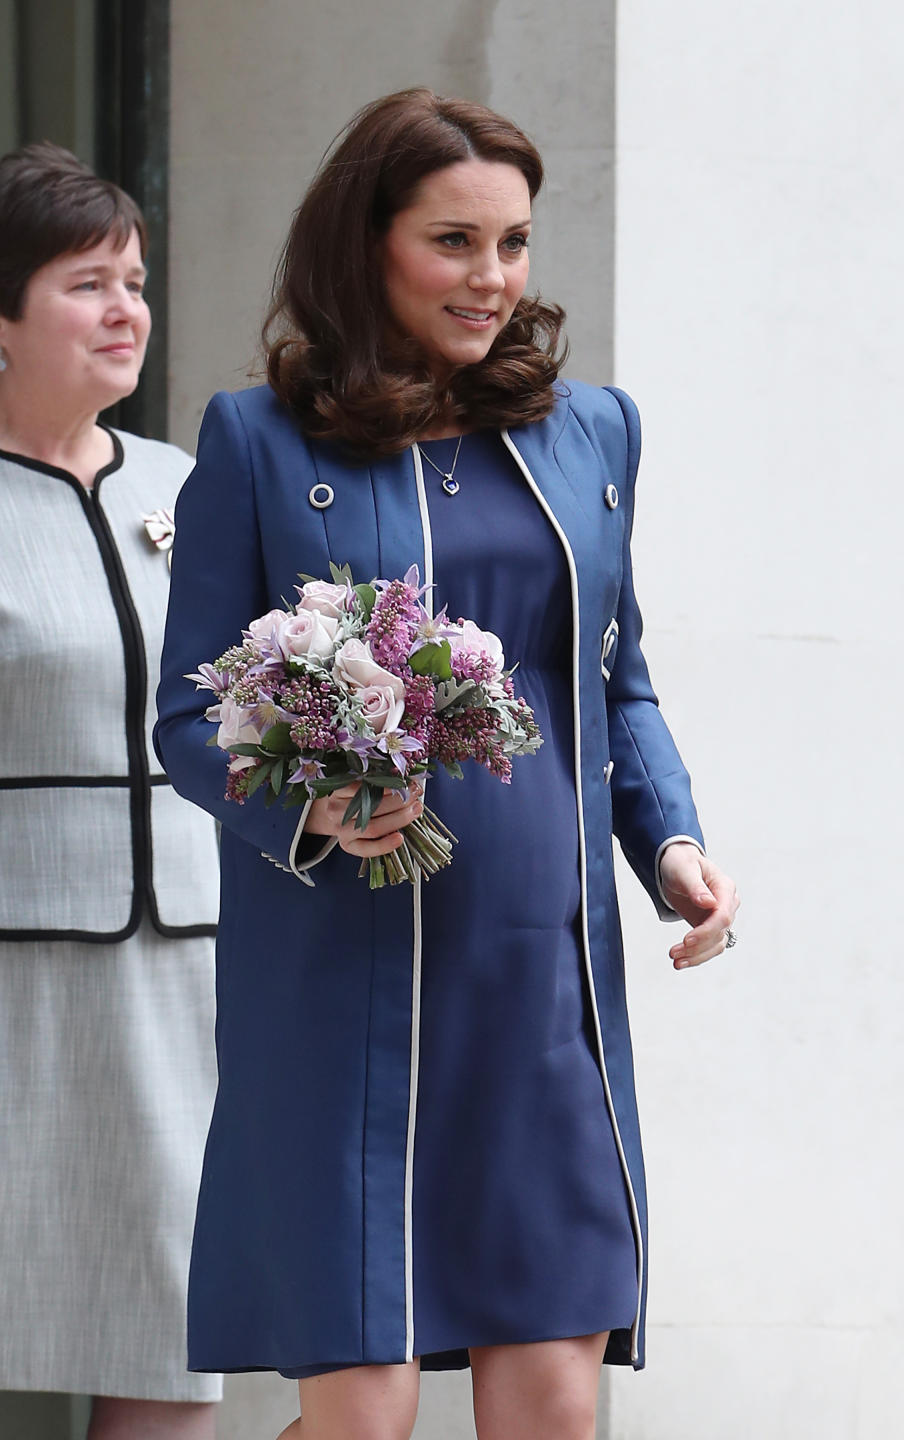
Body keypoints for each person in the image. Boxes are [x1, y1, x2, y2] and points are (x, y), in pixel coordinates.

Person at [155, 89, 740, 1440]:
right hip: (338, 988)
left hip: (539, 973)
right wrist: (313, 806)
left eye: (513, 244)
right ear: (368, 245)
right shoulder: (257, 439)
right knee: (362, 1419)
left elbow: (611, 673)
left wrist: (674, 846)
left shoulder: (595, 431)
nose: (491, 280)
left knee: (549, 1405)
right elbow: (192, 719)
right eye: (453, 242)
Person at [0, 143, 221, 1438]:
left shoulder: (189, 487)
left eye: (134, 280)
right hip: (16, 974)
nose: (128, 308)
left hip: (181, 975)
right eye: (88, 283)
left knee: (171, 1322)